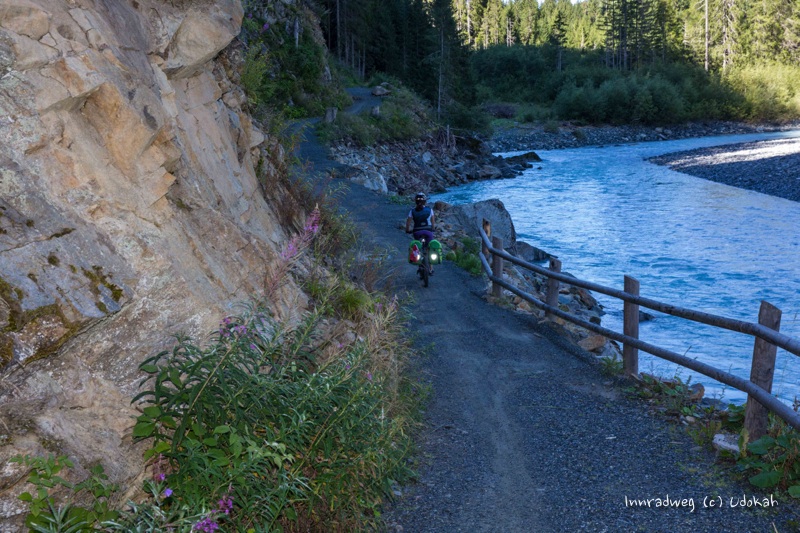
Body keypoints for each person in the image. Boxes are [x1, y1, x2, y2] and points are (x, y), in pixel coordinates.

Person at [406, 192, 435, 274]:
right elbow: (433, 222)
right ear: (425, 201)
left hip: (417, 231)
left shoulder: (412, 211)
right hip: (428, 231)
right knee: (429, 248)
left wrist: (407, 230)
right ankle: (431, 268)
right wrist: (433, 228)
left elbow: (408, 223)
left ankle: (419, 264)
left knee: (418, 247)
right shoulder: (430, 210)